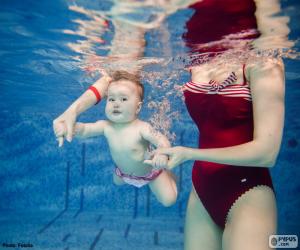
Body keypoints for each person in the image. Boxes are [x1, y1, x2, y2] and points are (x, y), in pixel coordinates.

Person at [149, 0, 287, 249]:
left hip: (249, 192)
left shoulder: (264, 63)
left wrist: (189, 153)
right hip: (202, 192)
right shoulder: (197, 63)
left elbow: (268, 153)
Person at [54, 71, 177, 206]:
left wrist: (162, 154)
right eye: (111, 99)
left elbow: (162, 140)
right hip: (123, 173)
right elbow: (85, 130)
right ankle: (125, 175)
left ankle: (170, 176)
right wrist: (68, 128)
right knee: (116, 182)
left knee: (169, 200)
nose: (116, 104)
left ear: (138, 107)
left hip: (149, 173)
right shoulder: (106, 126)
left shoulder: (142, 128)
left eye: (123, 99)